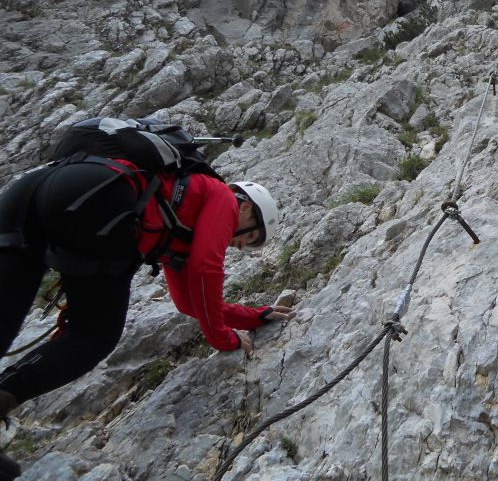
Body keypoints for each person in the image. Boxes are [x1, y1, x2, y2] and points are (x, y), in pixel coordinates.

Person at [0, 158, 294, 480]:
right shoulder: (224, 198)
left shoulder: (179, 211)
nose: (239, 246)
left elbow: (188, 301)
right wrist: (223, 338)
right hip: (99, 203)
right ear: (248, 210)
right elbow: (205, 270)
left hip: (33, 190)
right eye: (249, 239)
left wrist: (252, 316)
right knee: (93, 336)